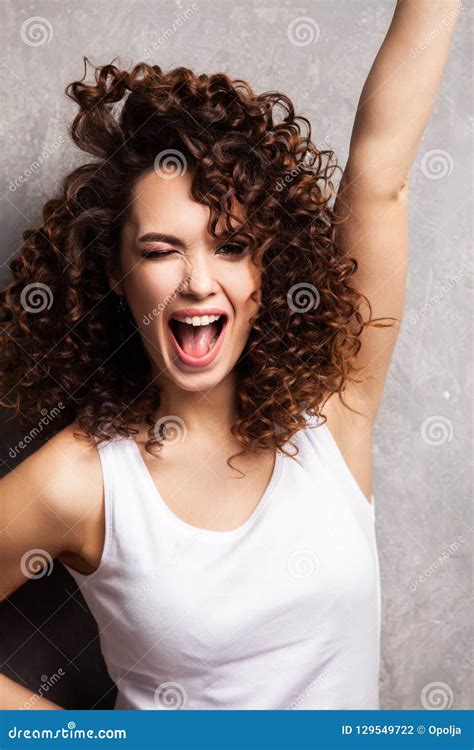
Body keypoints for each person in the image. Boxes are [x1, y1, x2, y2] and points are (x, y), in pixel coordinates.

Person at [0, 0, 460, 711]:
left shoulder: (335, 411)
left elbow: (381, 175)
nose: (198, 281)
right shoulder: (81, 479)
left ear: (267, 271)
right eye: (160, 251)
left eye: (231, 246)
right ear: (114, 272)